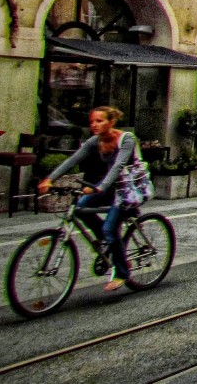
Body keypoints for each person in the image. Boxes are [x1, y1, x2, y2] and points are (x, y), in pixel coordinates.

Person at [38, 106, 137, 292]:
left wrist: (100, 187)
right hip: (106, 187)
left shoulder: (126, 139)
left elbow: (118, 166)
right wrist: (50, 179)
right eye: (92, 121)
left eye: (99, 121)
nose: (94, 125)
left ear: (111, 122)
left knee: (109, 227)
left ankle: (122, 272)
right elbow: (72, 160)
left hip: (127, 189)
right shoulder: (95, 141)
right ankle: (111, 245)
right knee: (80, 207)